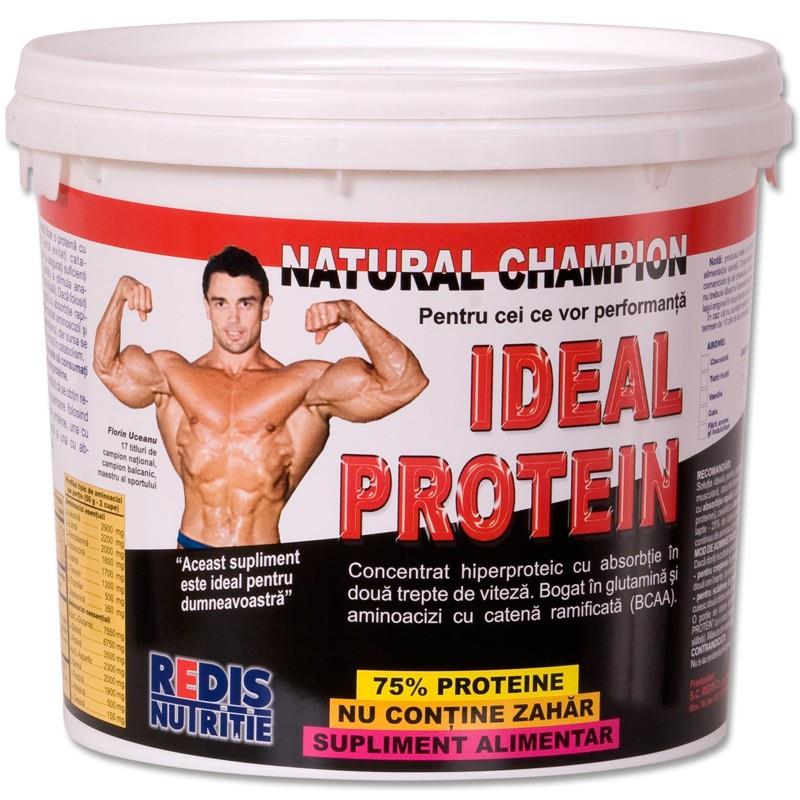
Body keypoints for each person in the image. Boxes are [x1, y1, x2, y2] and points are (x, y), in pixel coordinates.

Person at [93, 245, 428, 548]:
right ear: (207, 307)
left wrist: (351, 313)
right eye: (221, 303)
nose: (233, 319)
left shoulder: (303, 386)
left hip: (261, 566)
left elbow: (404, 383)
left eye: (246, 303)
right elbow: (107, 368)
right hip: (190, 553)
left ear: (265, 307)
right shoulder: (172, 376)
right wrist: (121, 292)